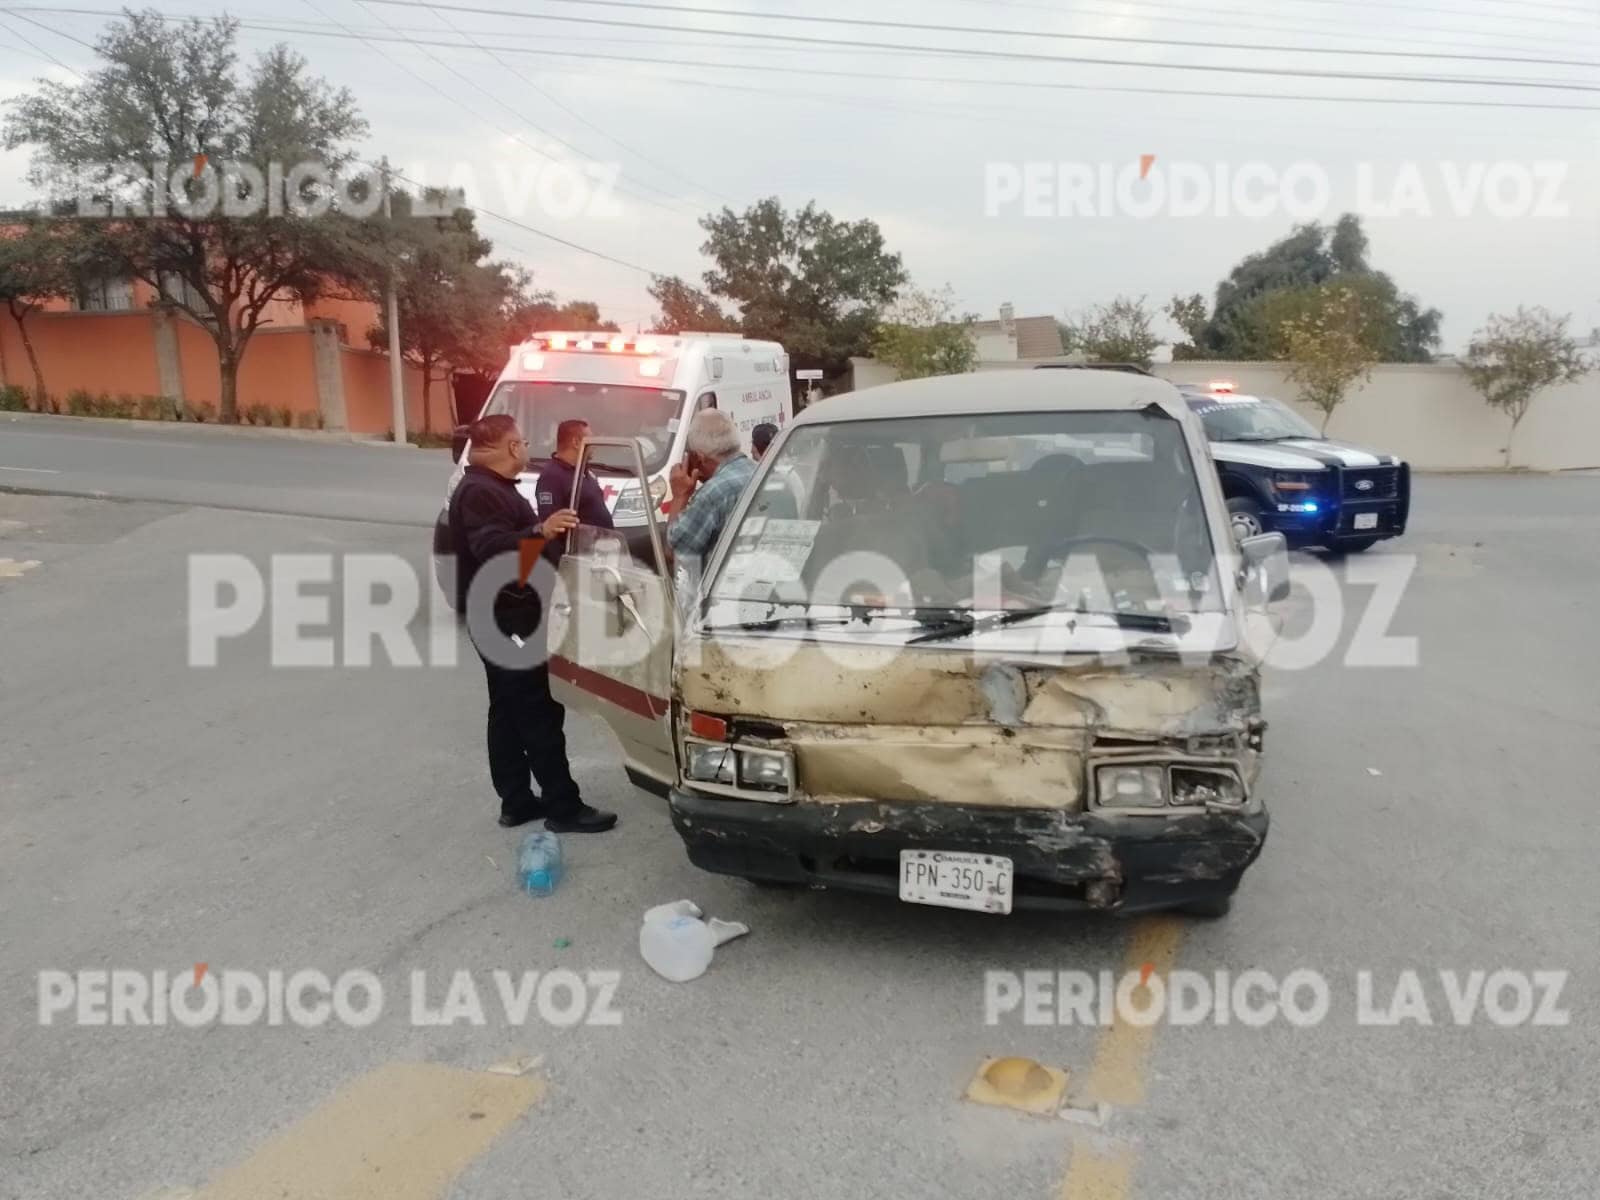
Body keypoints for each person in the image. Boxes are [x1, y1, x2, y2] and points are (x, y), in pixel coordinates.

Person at [449, 413, 618, 834]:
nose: (526, 448)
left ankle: (517, 801)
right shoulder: (480, 491)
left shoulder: (494, 488)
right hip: (505, 618)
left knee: (508, 710)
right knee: (537, 710)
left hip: (507, 612)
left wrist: (546, 542)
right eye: (522, 442)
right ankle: (564, 807)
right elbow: (491, 549)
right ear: (511, 446)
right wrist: (541, 530)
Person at [666, 409, 756, 581]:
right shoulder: (762, 471)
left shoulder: (713, 493)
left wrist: (679, 496)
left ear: (699, 457)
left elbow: (676, 553)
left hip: (724, 588)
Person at [535, 418, 614, 565]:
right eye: (590, 440)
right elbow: (552, 528)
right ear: (576, 443)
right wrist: (563, 567)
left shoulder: (583, 471)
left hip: (598, 555)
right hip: (578, 560)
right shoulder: (552, 477)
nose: (594, 446)